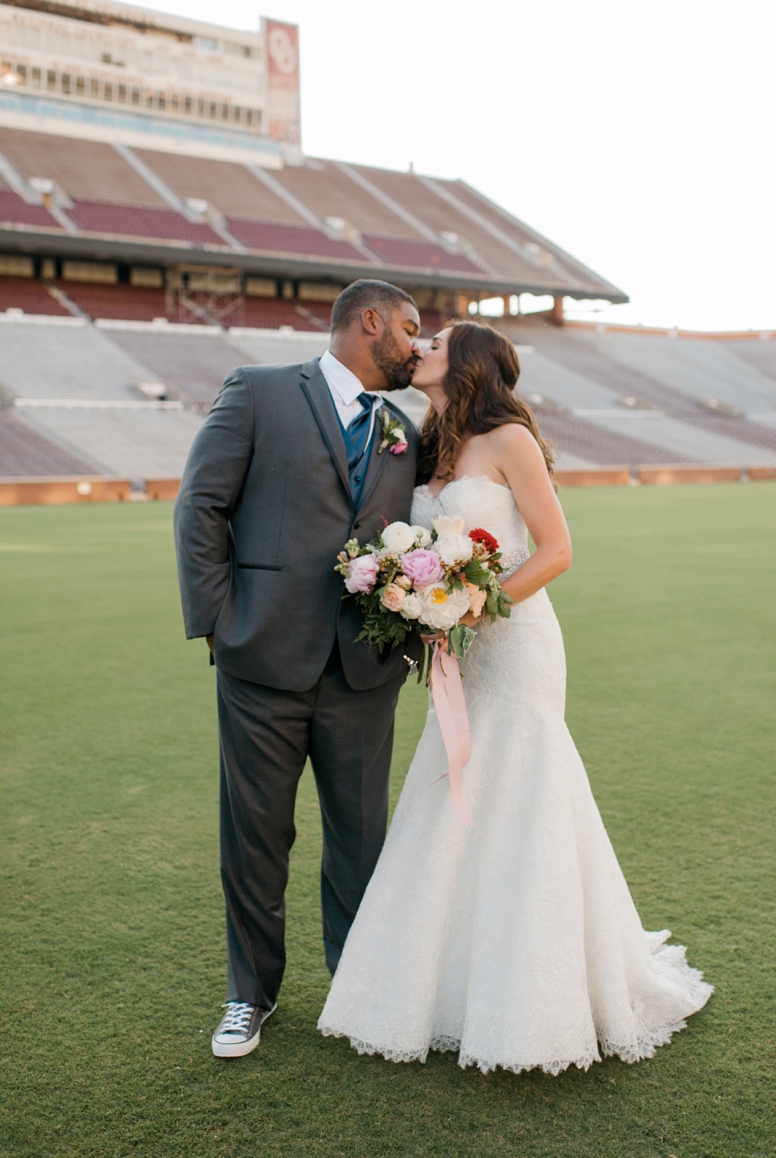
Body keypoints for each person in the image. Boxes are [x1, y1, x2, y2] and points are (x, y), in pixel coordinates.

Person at [318, 321, 712, 1075]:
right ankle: (443, 986)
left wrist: (475, 606)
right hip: (455, 651)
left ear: (465, 362)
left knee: (522, 793)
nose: (419, 346)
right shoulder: (425, 445)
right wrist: (415, 596)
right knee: (453, 792)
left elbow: (557, 549)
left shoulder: (508, 440)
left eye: (433, 340)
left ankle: (535, 990)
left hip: (516, 645)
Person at [174, 279, 422, 1058]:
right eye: (412, 328)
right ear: (370, 322)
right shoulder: (259, 391)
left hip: (363, 671)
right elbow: (199, 506)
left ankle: (358, 991)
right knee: (255, 837)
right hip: (261, 662)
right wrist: (218, 624)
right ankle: (250, 996)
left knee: (361, 840)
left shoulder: (403, 433)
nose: (419, 344)